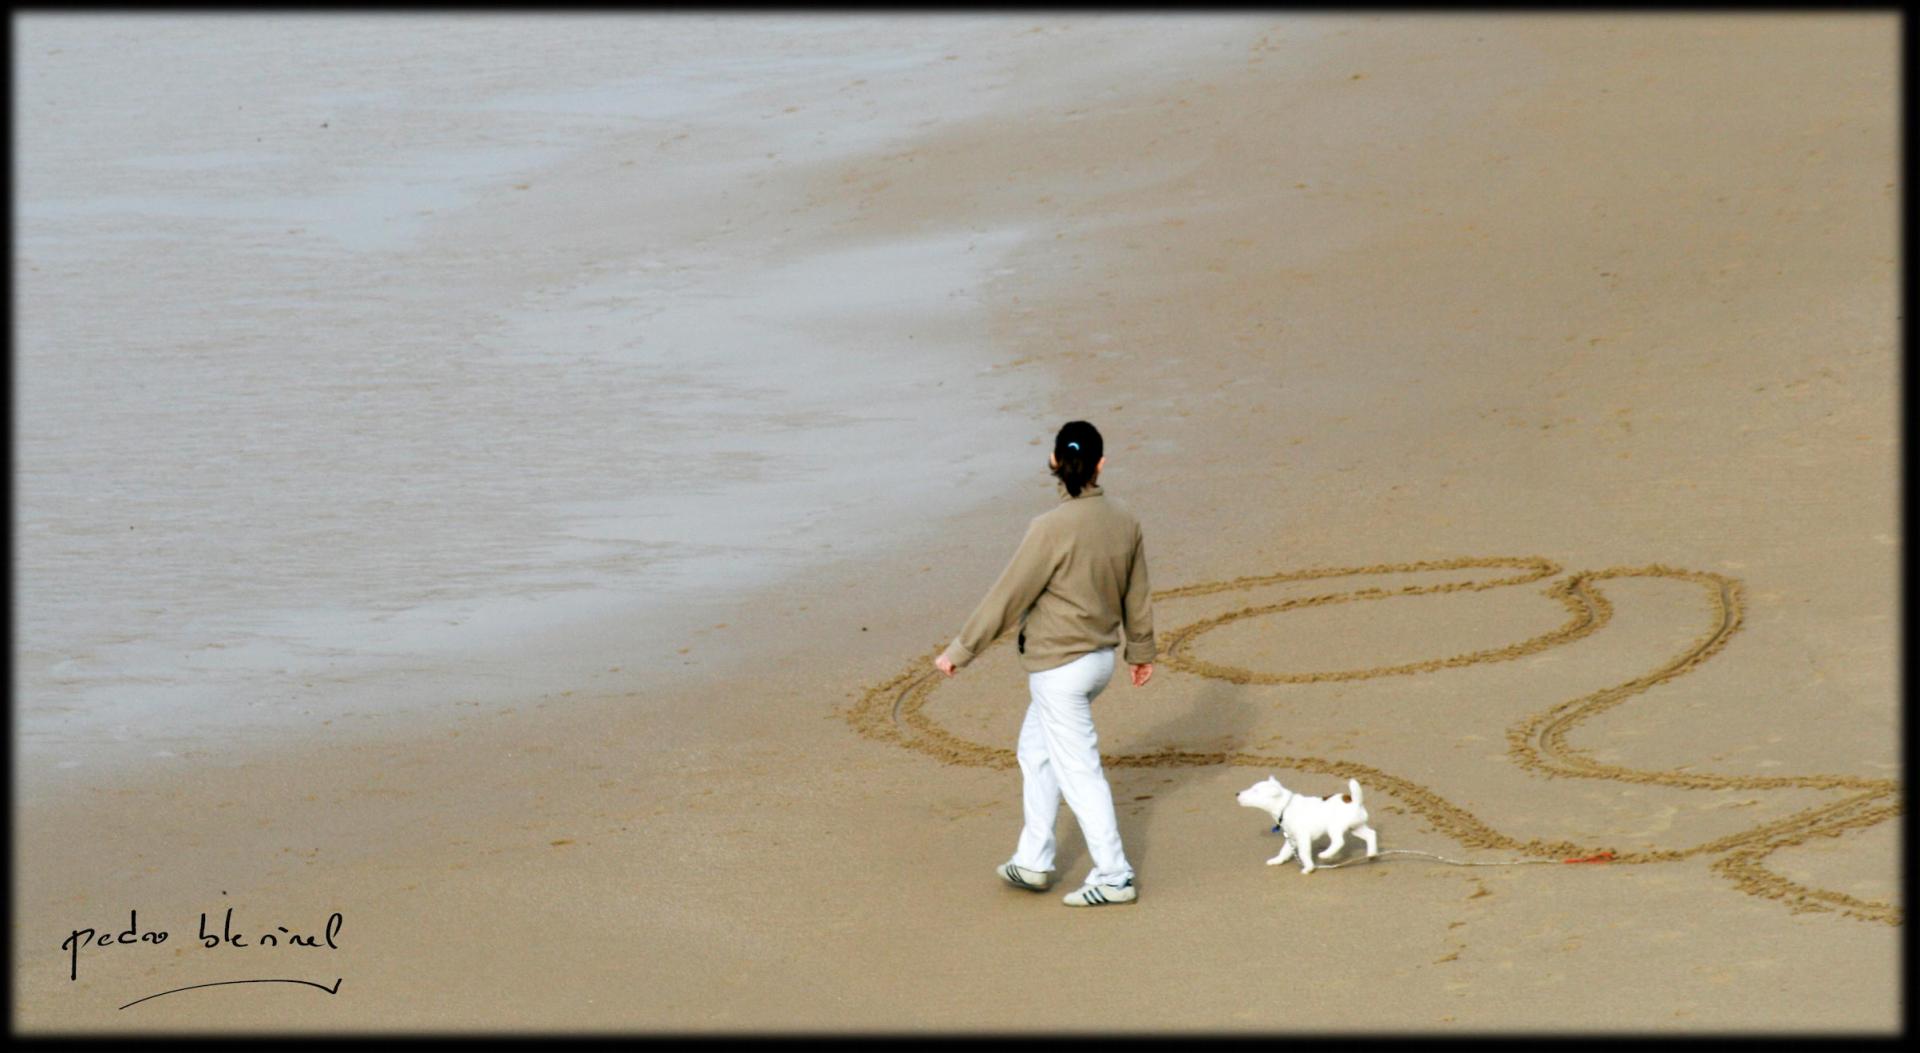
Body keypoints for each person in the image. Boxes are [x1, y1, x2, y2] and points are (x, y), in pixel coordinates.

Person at [934, 420, 1157, 907]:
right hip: (1097, 663)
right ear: (1100, 463)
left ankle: (1114, 874)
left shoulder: (1048, 528)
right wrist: (1140, 653)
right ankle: (1034, 858)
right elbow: (1137, 596)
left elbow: (1008, 596)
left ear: (1055, 463)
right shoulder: (1126, 519)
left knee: (1079, 771)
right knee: (1035, 751)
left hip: (1059, 671)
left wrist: (961, 651)